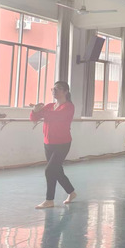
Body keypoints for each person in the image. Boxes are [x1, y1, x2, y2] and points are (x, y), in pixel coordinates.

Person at [29, 81, 76, 209]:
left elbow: (57, 117)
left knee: (50, 170)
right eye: (53, 89)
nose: (54, 91)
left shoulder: (69, 107)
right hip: (48, 143)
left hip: (62, 143)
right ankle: (71, 192)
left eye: (58, 89)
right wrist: (34, 111)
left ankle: (49, 200)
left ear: (65, 91)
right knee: (57, 171)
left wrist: (40, 111)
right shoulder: (49, 106)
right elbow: (34, 118)